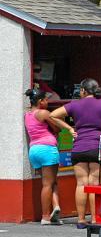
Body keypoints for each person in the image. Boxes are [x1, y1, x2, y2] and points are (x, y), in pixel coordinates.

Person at [50, 78, 101, 229]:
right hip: (98, 146)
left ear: (83, 90)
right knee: (95, 184)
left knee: (81, 184)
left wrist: (70, 129)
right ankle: (96, 220)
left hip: (78, 148)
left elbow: (53, 115)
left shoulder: (75, 104)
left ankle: (81, 220)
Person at [24, 88, 69, 225]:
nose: (48, 101)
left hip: (34, 150)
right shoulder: (44, 113)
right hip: (48, 149)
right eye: (45, 99)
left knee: (51, 181)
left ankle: (55, 208)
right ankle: (45, 216)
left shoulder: (27, 115)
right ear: (39, 101)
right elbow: (57, 128)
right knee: (48, 184)